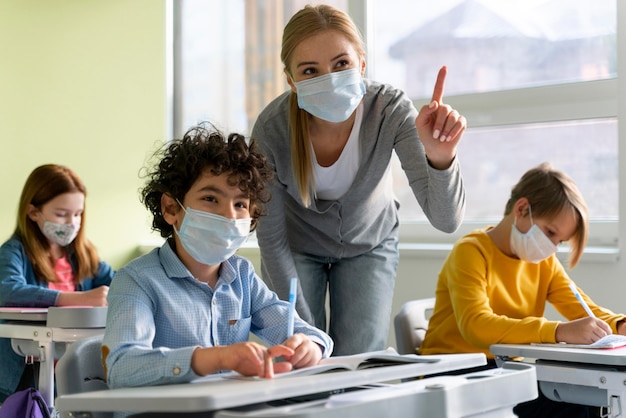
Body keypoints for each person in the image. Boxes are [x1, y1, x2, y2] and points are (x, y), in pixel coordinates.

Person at [251, 4, 467, 356]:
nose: (330, 79)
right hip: (294, 249)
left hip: (370, 244)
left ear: (362, 64)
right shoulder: (272, 129)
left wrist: (441, 159)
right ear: (291, 81)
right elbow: (271, 240)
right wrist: (308, 336)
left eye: (341, 64)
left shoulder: (390, 110)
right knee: (299, 359)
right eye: (310, 70)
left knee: (359, 363)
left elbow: (446, 221)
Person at [102, 123, 333, 391]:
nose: (229, 216)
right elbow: (121, 367)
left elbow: (307, 334)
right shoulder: (136, 280)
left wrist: (310, 346)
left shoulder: (242, 276)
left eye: (240, 204)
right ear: (170, 208)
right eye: (211, 198)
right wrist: (216, 358)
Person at [420, 162, 625, 418]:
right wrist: (558, 331)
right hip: (455, 371)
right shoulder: (472, 251)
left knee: (589, 403)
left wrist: (619, 325)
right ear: (522, 208)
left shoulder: (543, 263)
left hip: (504, 371)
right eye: (550, 232)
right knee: (574, 408)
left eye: (559, 241)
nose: (552, 247)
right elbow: (476, 326)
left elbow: (583, 308)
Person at [0, 164, 113, 402]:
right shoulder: (14, 252)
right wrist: (79, 299)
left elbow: (120, 282)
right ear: (33, 212)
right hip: (27, 374)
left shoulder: (84, 255)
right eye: (61, 214)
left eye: (78, 213)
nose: (72, 222)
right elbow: (6, 290)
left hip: (76, 371)